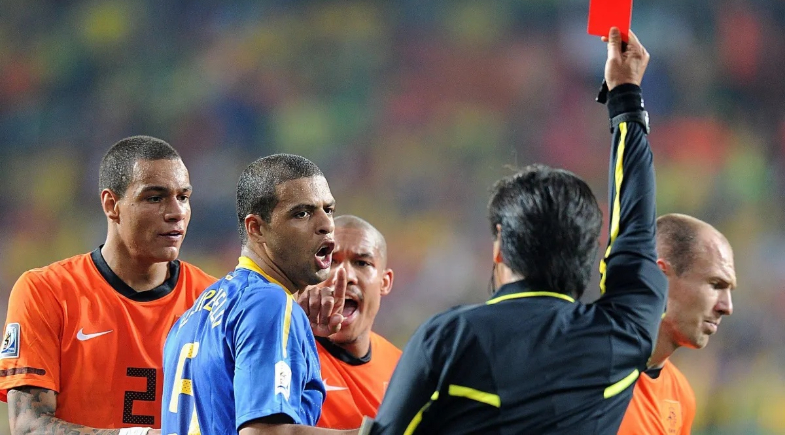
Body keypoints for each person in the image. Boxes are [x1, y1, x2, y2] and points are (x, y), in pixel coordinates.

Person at [360, 28, 667, 435]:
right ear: (590, 251)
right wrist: (626, 95)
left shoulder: (449, 338)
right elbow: (635, 233)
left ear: (500, 246)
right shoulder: (621, 334)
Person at [0, 136, 216, 435]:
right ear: (111, 204)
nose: (176, 212)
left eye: (183, 197)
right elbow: (28, 427)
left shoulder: (215, 302)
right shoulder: (44, 291)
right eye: (155, 198)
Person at [160, 154, 357, 434]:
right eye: (302, 213)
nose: (326, 224)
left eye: (329, 209)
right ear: (256, 228)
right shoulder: (269, 304)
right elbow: (264, 433)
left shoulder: (192, 316)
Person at [617, 214, 736, 435]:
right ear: (662, 277)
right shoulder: (587, 365)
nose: (727, 307)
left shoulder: (681, 396)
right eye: (715, 284)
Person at [298, 215, 401, 429]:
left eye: (362, 263)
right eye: (329, 260)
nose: (344, 275)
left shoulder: (401, 368)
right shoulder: (278, 348)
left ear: (385, 282)